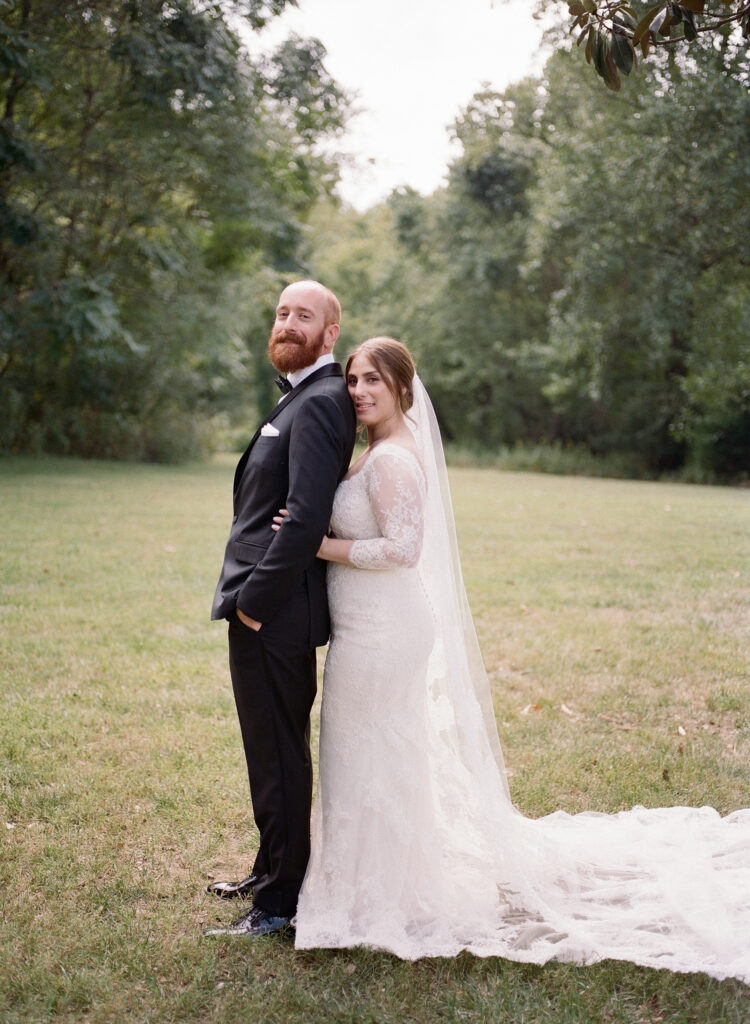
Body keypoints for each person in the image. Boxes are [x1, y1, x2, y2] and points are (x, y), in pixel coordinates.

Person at [287, 336, 750, 981]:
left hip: (386, 629)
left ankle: (381, 892)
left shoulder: (394, 460)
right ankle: (373, 877)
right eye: (354, 380)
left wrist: (316, 545)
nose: (359, 390)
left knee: (366, 748)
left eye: (373, 381)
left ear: (402, 389)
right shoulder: (372, 453)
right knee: (368, 752)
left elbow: (403, 550)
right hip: (368, 625)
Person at [205, 281, 356, 938]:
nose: (288, 322)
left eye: (304, 315)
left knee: (279, 754)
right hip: (265, 606)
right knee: (266, 750)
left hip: (275, 610)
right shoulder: (298, 398)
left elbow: (304, 523)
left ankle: (281, 904)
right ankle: (271, 869)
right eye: (281, 312)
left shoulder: (322, 403)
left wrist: (254, 608)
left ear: (330, 335)